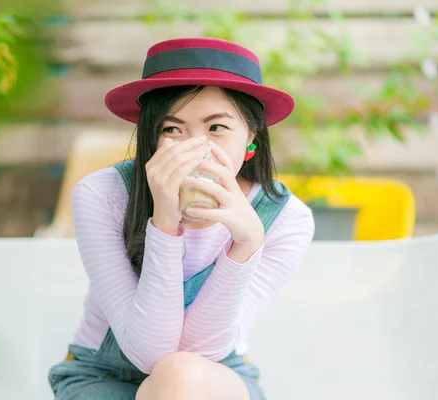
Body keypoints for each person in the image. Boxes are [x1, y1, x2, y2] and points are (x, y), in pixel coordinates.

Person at [48, 37, 315, 400]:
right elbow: (151, 355)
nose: (196, 149)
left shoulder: (285, 219)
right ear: (152, 139)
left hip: (215, 375)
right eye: (172, 130)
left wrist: (246, 244)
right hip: (104, 374)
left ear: (252, 136)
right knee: (173, 370)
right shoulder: (102, 195)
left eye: (217, 128)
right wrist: (164, 225)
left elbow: (198, 357)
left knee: (182, 374)